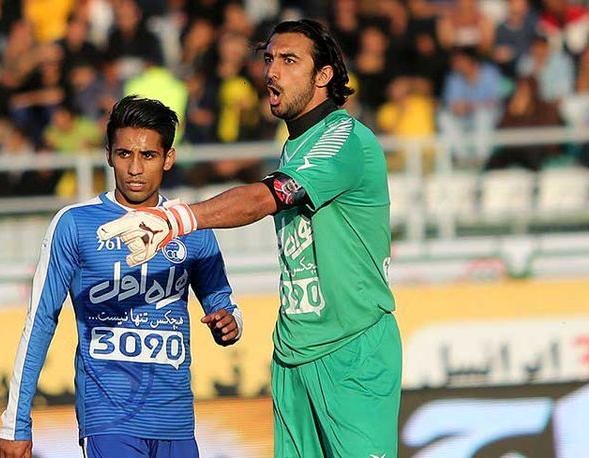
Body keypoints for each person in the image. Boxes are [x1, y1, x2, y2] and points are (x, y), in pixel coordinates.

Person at [99, 19, 401, 458]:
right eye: (269, 59)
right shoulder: (295, 145)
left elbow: (267, 197)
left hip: (351, 348)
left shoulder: (344, 137)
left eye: (289, 60)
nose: (271, 71)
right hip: (294, 353)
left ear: (324, 75)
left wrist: (176, 218)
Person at [0, 95, 243, 458]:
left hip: (176, 422)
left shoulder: (191, 226)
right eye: (125, 154)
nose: (135, 168)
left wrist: (230, 324)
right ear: (109, 155)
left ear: (168, 158)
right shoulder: (75, 224)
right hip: (108, 420)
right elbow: (40, 320)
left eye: (148, 155)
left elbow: (223, 304)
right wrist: (15, 424)